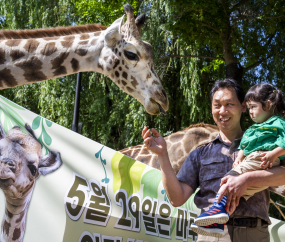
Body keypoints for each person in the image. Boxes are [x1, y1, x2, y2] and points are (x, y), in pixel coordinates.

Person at [142, 79, 285, 242]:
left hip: (254, 234)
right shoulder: (200, 153)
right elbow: (177, 198)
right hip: (211, 235)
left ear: (243, 106)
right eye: (217, 105)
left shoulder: (266, 142)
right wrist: (162, 155)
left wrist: (247, 179)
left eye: (229, 104)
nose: (222, 111)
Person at [193, 83, 285, 237]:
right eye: (248, 108)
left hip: (263, 157)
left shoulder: (278, 123)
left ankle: (216, 208)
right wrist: (240, 157)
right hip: (252, 159)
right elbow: (245, 145)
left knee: (228, 179)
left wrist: (273, 154)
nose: (250, 112)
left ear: (268, 105)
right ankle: (218, 220)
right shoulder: (253, 128)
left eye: (253, 107)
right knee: (236, 193)